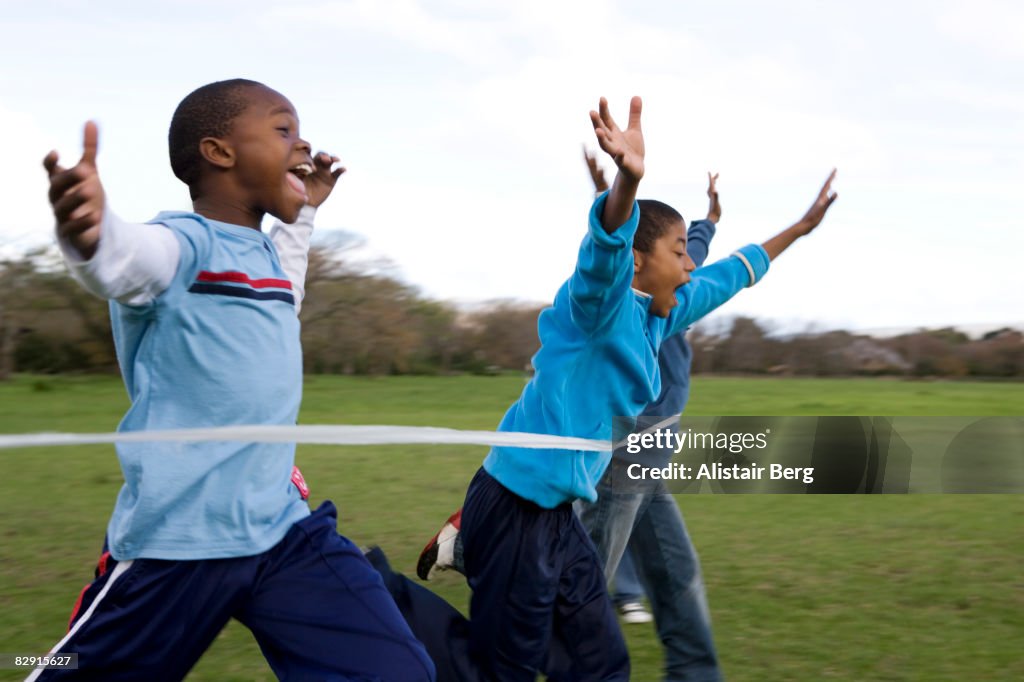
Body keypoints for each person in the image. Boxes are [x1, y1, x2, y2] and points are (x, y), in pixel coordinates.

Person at [370, 95, 838, 682]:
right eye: (677, 253)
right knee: (499, 670)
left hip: (558, 517)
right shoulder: (598, 306)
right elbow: (606, 246)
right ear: (638, 264)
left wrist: (799, 229)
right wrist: (627, 180)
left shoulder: (662, 315)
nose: (690, 265)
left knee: (599, 663)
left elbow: (729, 273)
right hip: (517, 505)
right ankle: (374, 589)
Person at [33, 78, 434, 681]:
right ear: (220, 152)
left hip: (282, 532)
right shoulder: (180, 246)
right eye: (283, 129)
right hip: (179, 543)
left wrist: (307, 210)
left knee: (396, 672)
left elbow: (285, 286)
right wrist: (86, 231)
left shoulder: (266, 259)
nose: (303, 143)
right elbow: (122, 258)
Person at [577, 149, 725, 679]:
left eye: (689, 251)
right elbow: (614, 238)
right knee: (584, 574)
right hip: (630, 434)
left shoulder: (684, 281)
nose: (687, 264)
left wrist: (711, 216)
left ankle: (694, 670)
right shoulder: (624, 293)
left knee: (666, 561)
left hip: (656, 439)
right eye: (678, 249)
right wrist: (615, 185)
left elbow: (705, 249)